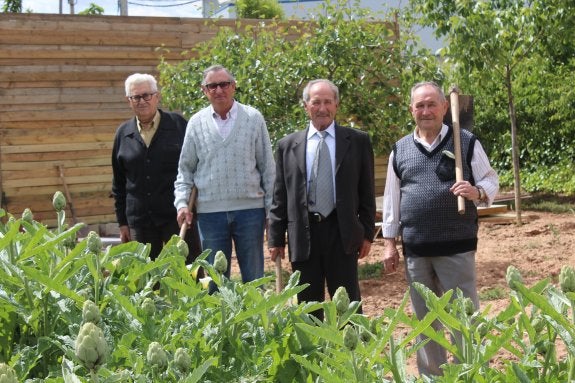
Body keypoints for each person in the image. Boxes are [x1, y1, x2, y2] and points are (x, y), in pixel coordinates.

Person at [381, 81, 499, 377]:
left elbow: (491, 180)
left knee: (464, 317)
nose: (426, 111)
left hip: (456, 247)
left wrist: (476, 191)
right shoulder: (400, 149)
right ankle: (432, 376)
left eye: (432, 104)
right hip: (416, 251)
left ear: (445, 107)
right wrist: (389, 244)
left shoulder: (466, 142)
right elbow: (393, 201)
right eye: (420, 105)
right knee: (426, 323)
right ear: (411, 110)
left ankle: (470, 373)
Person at [268, 79, 376, 318]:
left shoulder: (357, 141)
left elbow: (367, 191)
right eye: (316, 102)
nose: (322, 108)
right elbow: (280, 196)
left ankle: (350, 353)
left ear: (336, 105)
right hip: (304, 236)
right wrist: (275, 238)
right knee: (308, 308)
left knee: (348, 306)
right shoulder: (288, 146)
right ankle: (313, 354)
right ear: (306, 106)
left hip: (343, 233)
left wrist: (367, 234)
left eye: (328, 102)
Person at [174, 65, 275, 283]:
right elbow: (185, 170)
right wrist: (181, 204)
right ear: (204, 90)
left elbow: (268, 168)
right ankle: (219, 318)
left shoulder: (253, 118)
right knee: (215, 282)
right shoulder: (196, 123)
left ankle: (256, 318)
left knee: (254, 279)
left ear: (234, 86)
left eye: (224, 84)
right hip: (211, 214)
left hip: (250, 212)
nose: (219, 90)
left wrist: (271, 210)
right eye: (212, 86)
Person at [111, 73, 202, 263]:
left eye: (146, 95)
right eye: (136, 97)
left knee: (187, 272)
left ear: (157, 96)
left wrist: (192, 206)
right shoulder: (123, 134)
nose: (142, 101)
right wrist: (123, 223)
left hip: (176, 216)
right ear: (129, 101)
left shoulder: (178, 126)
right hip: (140, 221)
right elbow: (119, 183)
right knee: (145, 278)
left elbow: (195, 166)